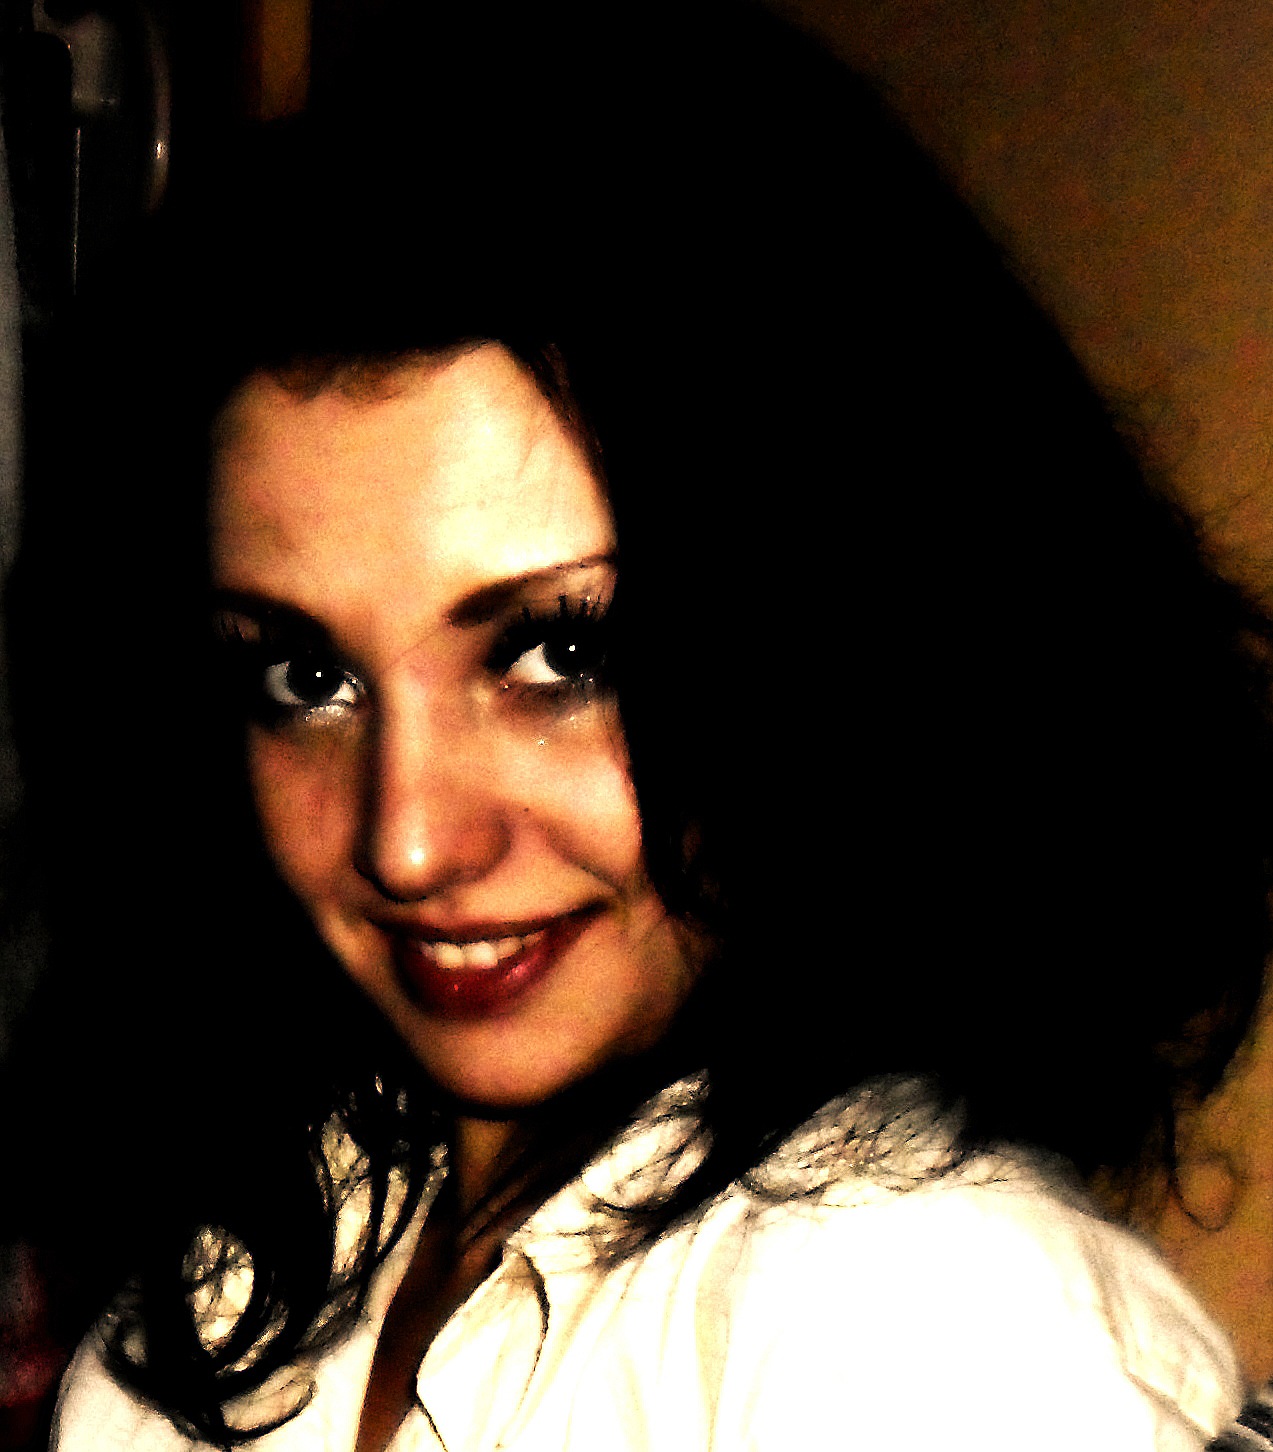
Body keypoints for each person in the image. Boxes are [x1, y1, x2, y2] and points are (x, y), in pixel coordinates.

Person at [5, 1, 1271, 1447]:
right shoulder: (277, 1233)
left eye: (560, 652)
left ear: (841, 637)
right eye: (305, 676)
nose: (406, 842)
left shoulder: (923, 1326)